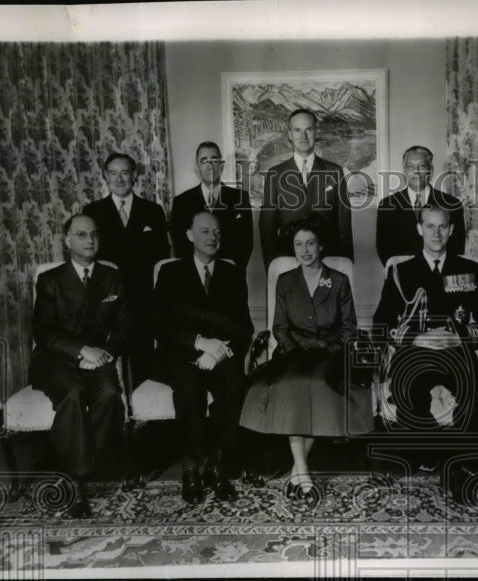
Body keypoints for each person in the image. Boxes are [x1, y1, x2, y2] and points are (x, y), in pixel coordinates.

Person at [372, 205, 478, 502]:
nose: (436, 233)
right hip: (416, 353)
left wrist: (460, 336)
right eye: (430, 226)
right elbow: (381, 323)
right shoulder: (401, 272)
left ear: (452, 230)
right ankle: (439, 455)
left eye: (442, 227)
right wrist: (419, 338)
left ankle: (453, 465)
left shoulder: (470, 270)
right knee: (408, 390)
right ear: (419, 229)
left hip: (459, 352)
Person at [240, 215, 372, 501]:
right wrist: (296, 349)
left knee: (317, 386)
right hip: (293, 353)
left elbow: (349, 329)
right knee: (292, 385)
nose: (305, 250)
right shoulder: (286, 281)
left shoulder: (338, 281)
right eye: (299, 244)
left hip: (330, 354)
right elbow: (279, 327)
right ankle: (301, 469)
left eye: (310, 243)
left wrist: (329, 348)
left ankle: (297, 471)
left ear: (320, 245)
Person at [29, 213, 130, 518]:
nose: (90, 241)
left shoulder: (113, 278)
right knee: (72, 393)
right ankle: (74, 481)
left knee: (111, 394)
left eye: (94, 234)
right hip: (57, 361)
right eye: (82, 235)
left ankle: (83, 462)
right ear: (67, 241)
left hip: (99, 359)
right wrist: (80, 351)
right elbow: (43, 334)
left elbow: (125, 327)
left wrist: (104, 353)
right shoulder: (51, 280)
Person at [154, 211, 253, 505]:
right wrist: (200, 344)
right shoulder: (171, 272)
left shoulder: (232, 272)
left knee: (235, 381)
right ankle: (191, 467)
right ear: (189, 236)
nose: (213, 238)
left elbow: (243, 326)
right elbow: (160, 326)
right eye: (205, 231)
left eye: (217, 232)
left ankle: (217, 465)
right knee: (189, 385)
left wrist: (220, 351)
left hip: (220, 356)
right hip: (182, 356)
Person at [84, 152, 170, 385]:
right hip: (107, 300)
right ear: (105, 176)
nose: (119, 179)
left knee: (145, 360)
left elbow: (163, 260)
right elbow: (88, 257)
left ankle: (142, 413)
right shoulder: (92, 211)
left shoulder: (153, 211)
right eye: (113, 173)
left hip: (143, 300)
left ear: (134, 176)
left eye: (124, 173)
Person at [259, 109, 353, 269]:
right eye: (297, 130)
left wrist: (345, 269)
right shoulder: (275, 174)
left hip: (327, 265)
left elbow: (344, 227)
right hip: (288, 266)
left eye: (308, 129)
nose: (303, 136)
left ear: (316, 132)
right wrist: (272, 269)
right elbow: (267, 230)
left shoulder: (334, 171)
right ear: (289, 134)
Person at [376, 145, 465, 265]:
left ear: (431, 170)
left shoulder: (451, 204)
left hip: (441, 274)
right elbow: (384, 249)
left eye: (422, 166)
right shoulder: (387, 205)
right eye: (410, 166)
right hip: (403, 275)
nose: (416, 171)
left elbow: (457, 248)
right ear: (404, 171)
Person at [171, 141, 254, 268]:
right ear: (197, 168)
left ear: (222, 165)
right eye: (204, 161)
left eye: (214, 160)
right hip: (193, 279)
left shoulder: (241, 198)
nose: (210, 166)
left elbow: (246, 244)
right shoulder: (181, 202)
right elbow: (180, 246)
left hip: (230, 276)